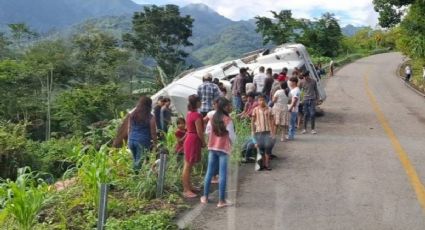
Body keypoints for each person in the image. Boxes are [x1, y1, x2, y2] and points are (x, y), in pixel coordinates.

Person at [201, 97, 235, 208]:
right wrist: (233, 147)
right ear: (224, 107)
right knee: (223, 174)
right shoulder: (228, 120)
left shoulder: (212, 117)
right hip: (223, 149)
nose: (230, 107)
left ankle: (205, 197)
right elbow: (232, 136)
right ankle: (221, 201)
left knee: (209, 172)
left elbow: (207, 132)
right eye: (229, 105)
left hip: (212, 147)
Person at [182, 95, 206, 198]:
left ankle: (189, 186)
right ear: (196, 103)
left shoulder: (189, 114)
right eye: (200, 101)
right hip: (193, 139)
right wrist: (203, 142)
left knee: (189, 165)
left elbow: (189, 127)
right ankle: (186, 189)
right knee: (188, 165)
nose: (201, 103)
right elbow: (200, 131)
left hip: (189, 138)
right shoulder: (197, 115)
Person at [128, 96, 157, 172]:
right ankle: (134, 178)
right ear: (149, 106)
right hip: (142, 142)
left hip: (131, 140)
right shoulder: (150, 117)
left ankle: (134, 177)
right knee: (138, 163)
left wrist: (130, 138)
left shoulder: (133, 114)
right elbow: (153, 133)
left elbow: (129, 128)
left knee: (135, 160)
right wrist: (155, 144)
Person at [251, 94, 275, 170]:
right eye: (260, 100)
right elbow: (252, 122)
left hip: (268, 131)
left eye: (263, 100)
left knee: (267, 148)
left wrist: (273, 132)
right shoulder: (255, 110)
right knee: (261, 148)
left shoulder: (269, 109)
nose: (261, 102)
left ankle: (267, 164)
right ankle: (263, 163)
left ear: (265, 100)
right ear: (257, 101)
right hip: (259, 132)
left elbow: (272, 121)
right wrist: (252, 131)